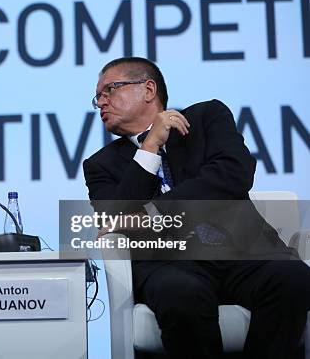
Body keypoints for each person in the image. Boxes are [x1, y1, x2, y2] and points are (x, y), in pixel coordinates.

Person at [83, 56, 310, 359]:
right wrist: (149, 147)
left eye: (109, 90)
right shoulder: (100, 165)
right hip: (167, 264)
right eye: (97, 97)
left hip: (242, 253)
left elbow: (232, 177)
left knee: (293, 277)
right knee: (181, 294)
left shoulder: (207, 117)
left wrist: (152, 213)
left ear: (148, 89)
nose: (100, 103)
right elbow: (118, 216)